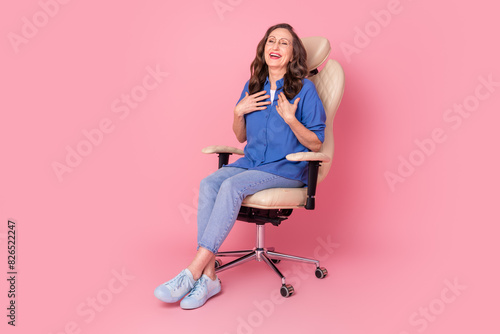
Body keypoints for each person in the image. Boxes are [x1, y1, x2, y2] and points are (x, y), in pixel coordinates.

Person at [154, 23, 326, 309]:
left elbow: (317, 144)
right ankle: (209, 276)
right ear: (263, 49)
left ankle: (192, 272)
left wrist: (290, 118)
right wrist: (238, 111)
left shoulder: (305, 90)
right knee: (210, 182)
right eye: (272, 41)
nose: (276, 46)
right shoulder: (252, 87)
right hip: (253, 163)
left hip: (286, 169)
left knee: (232, 185)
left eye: (284, 43)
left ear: (293, 53)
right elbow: (241, 136)